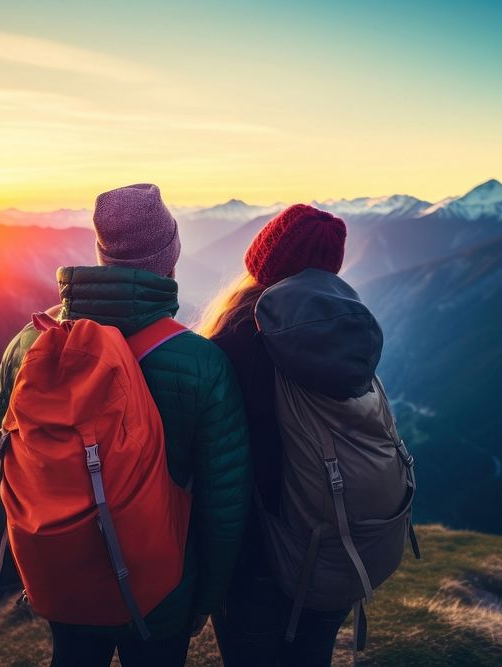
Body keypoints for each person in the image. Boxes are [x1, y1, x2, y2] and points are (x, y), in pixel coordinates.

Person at [0, 183, 252, 667]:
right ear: (171, 258)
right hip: (162, 589)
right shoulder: (202, 364)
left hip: (64, 578)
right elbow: (224, 504)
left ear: (101, 257)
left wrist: (40, 560)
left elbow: (3, 464)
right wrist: (205, 599)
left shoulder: (30, 345)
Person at [198, 204, 351, 667]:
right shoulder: (343, 340)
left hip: (255, 561)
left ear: (261, 260)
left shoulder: (231, 344)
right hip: (327, 548)